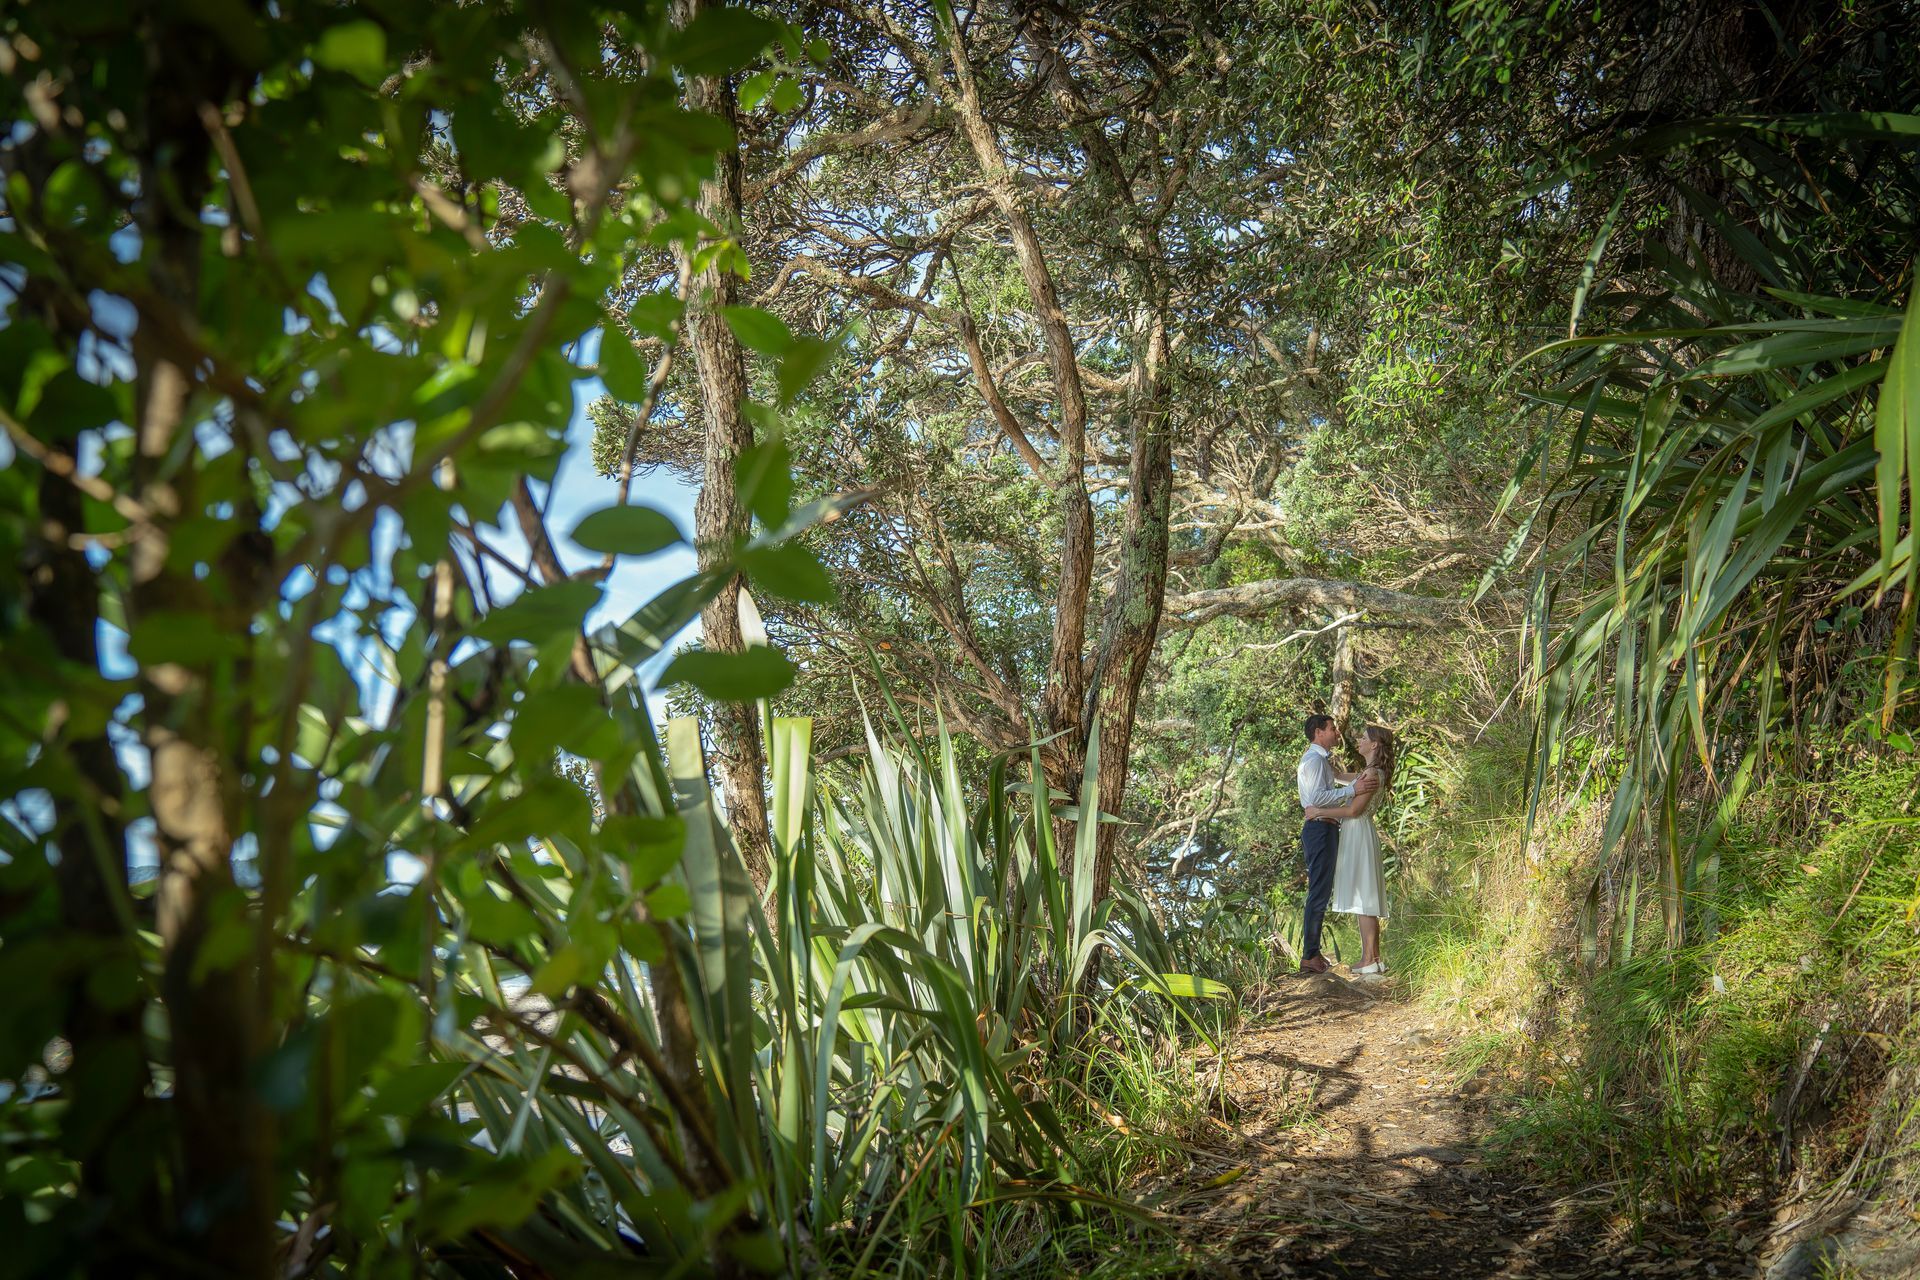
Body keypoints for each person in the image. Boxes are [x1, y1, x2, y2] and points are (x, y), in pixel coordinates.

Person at [1307, 725, 1397, 977]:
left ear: (1375, 745)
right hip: (1359, 833)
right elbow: (1345, 778)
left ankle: (1369, 958)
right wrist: (1325, 767)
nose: (1358, 740)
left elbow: (1353, 810)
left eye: (1363, 738)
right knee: (1364, 895)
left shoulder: (1371, 774)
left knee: (1363, 897)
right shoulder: (1370, 772)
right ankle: (1373, 959)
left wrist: (1318, 811)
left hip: (1358, 831)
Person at [1296, 714, 1378, 974]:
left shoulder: (1321, 761)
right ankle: (1310, 956)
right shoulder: (1314, 760)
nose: (1336, 732)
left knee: (1321, 891)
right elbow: (1318, 797)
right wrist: (1352, 791)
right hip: (1319, 828)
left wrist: (1352, 784)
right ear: (1319, 733)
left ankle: (1313, 954)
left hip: (1325, 828)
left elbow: (1328, 791)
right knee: (1319, 892)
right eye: (1332, 729)